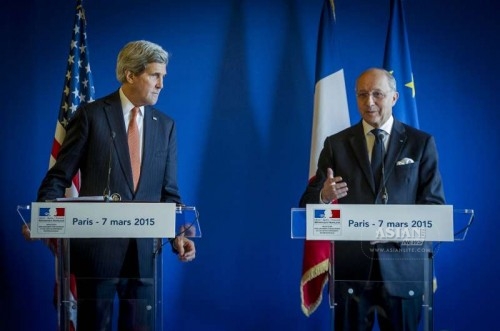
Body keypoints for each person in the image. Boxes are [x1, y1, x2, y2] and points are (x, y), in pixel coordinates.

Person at [37, 40, 196, 331]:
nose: (161, 84)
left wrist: (178, 235)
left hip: (145, 258)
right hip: (97, 256)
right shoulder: (91, 115)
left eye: (164, 77)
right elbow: (58, 178)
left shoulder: (166, 125)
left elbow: (169, 193)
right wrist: (41, 219)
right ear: (130, 75)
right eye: (154, 75)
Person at [299, 68, 445, 331]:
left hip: (404, 272)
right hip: (351, 273)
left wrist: (392, 231)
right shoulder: (336, 144)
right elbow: (306, 205)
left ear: (394, 97)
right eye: (362, 94)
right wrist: (323, 195)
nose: (369, 102)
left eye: (377, 94)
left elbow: (434, 208)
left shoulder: (420, 143)